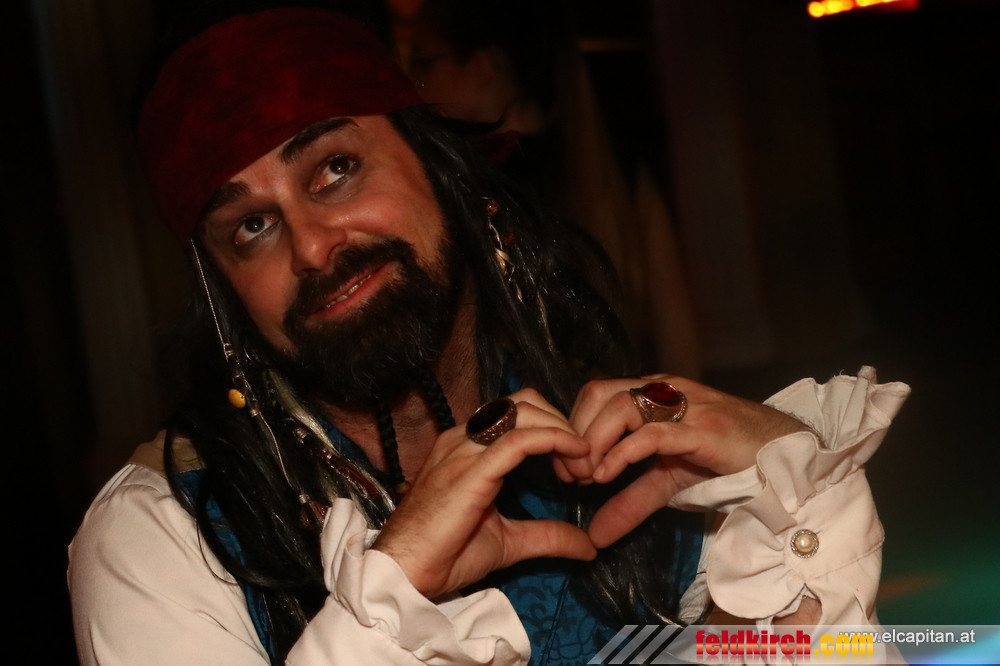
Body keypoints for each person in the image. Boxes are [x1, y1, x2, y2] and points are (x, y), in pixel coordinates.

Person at [67, 3, 910, 665]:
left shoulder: (621, 457)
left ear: (447, 176)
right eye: (250, 227)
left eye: (334, 169)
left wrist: (793, 503)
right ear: (227, 299)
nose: (312, 248)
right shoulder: (161, 543)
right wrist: (391, 601)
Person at [401, 0, 701, 377]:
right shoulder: (611, 166)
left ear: (484, 67)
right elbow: (681, 344)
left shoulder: (470, 187)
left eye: (424, 61)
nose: (410, 80)